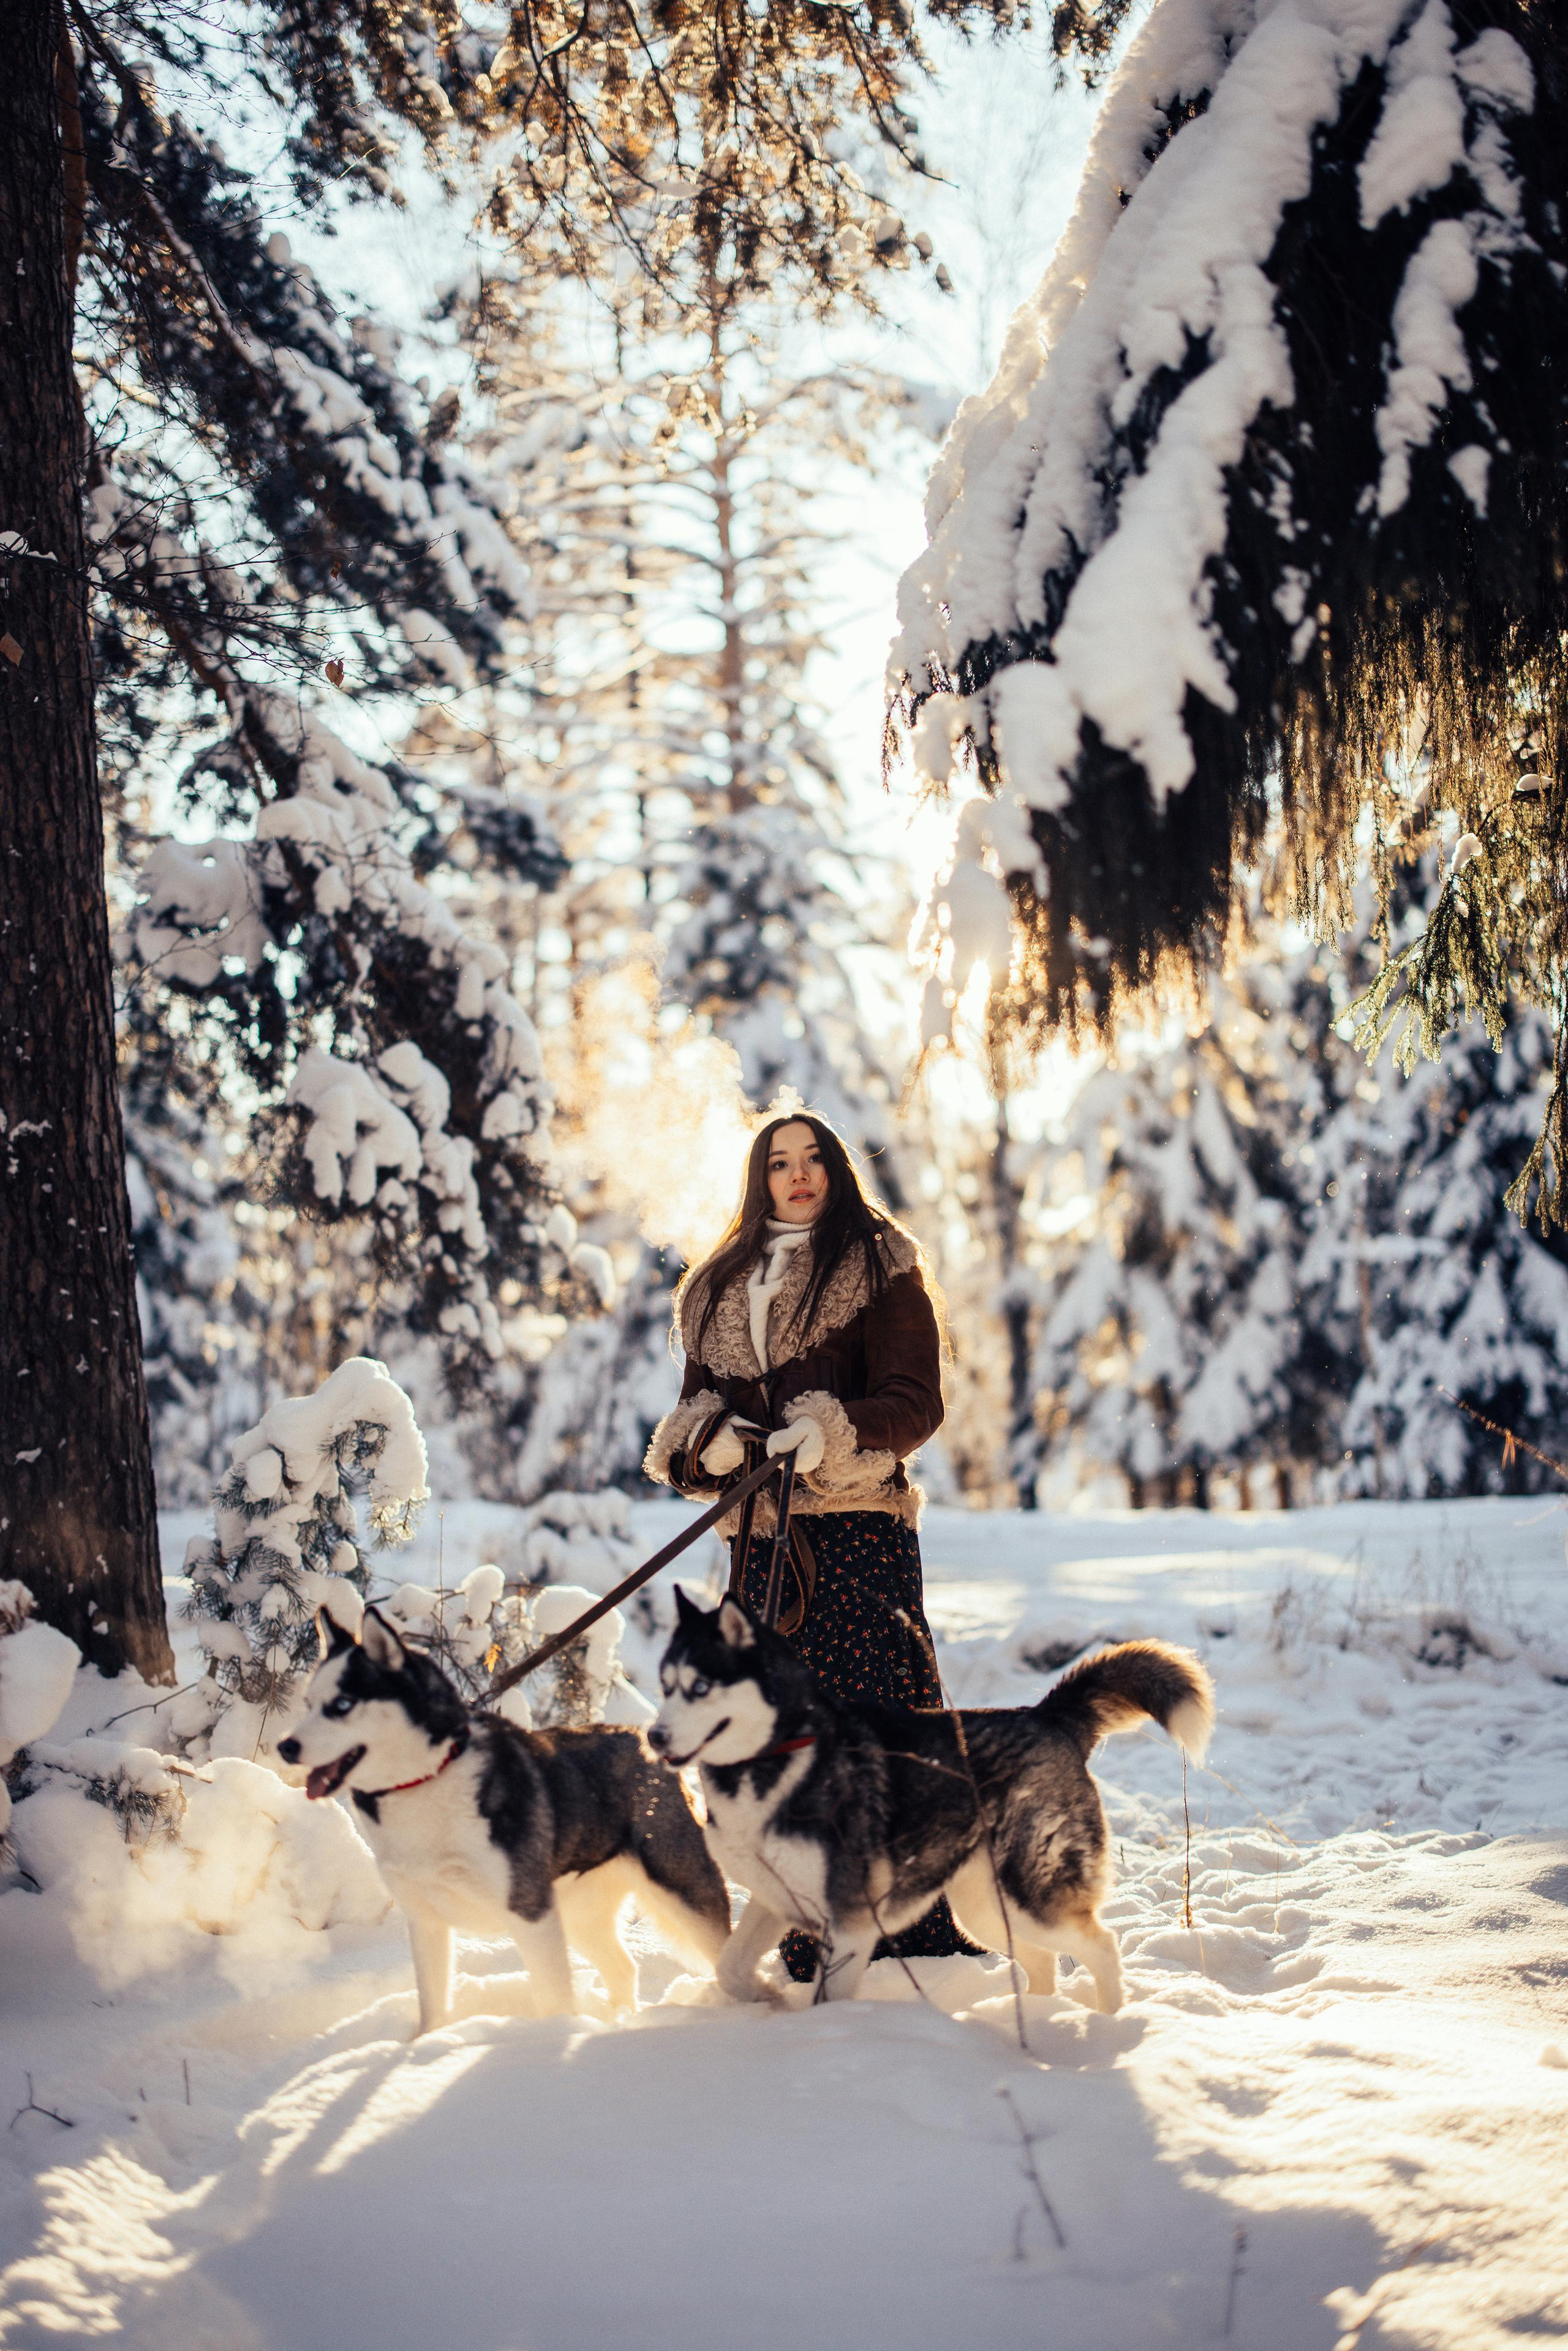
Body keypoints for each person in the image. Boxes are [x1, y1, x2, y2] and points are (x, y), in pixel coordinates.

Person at [644, 1109, 973, 1978]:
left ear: (837, 1169)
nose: (798, 1175)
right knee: (766, 1736)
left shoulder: (880, 1264)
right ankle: (798, 1925)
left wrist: (831, 1430)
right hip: (759, 1545)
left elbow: (916, 1402)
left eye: (814, 1158)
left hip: (859, 1528)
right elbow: (693, 1409)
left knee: (873, 1732)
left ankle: (909, 1933)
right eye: (779, 1161)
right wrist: (705, 1442)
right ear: (760, 1177)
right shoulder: (717, 1284)